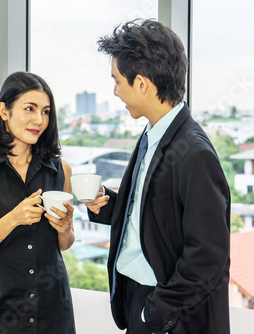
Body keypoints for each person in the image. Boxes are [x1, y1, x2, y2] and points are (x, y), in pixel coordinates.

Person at [86, 19, 231, 334]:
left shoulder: (195, 153)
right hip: (139, 298)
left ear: (141, 83)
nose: (115, 91)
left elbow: (207, 257)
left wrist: (154, 313)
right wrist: (107, 205)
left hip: (169, 316)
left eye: (117, 81)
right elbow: (151, 213)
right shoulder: (152, 134)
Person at [0, 71, 76, 333]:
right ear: (4, 110)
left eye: (45, 111)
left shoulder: (61, 170)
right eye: (29, 109)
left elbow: (64, 244)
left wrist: (65, 228)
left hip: (53, 313)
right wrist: (13, 218)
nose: (39, 120)